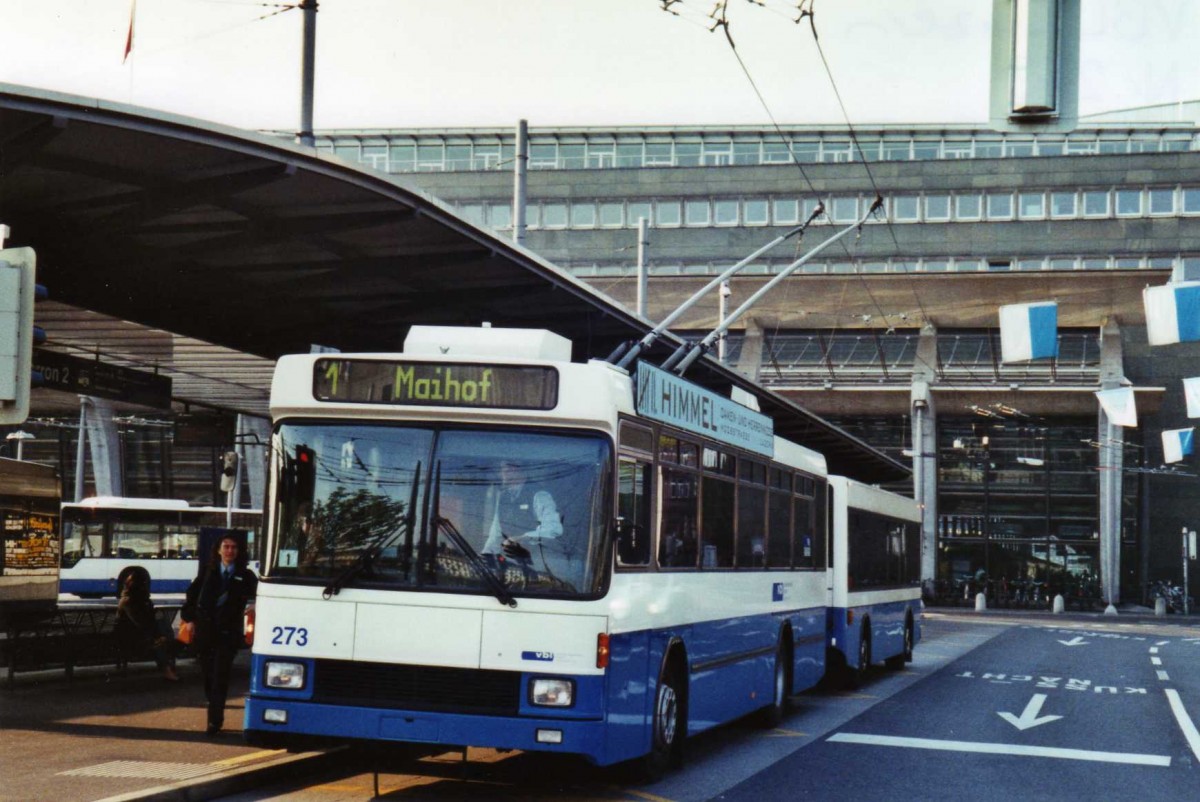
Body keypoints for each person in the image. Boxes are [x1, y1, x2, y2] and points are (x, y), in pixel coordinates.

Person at [182, 534, 258, 736]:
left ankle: (214, 722)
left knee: (219, 678)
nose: (230, 551)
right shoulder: (208, 573)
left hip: (228, 635)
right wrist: (189, 619)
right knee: (208, 677)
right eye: (226, 547)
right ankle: (214, 713)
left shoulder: (246, 576)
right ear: (218, 550)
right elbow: (191, 599)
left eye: (234, 547)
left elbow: (256, 599)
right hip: (206, 634)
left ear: (239, 551)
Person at [481, 460, 563, 558]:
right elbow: (496, 533)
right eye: (502, 470)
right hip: (512, 558)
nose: (503, 474)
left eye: (507, 470)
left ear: (521, 471)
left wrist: (523, 538)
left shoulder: (540, 495)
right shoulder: (503, 496)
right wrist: (486, 554)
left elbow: (552, 529)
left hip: (540, 558)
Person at [114, 566, 179, 681]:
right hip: (131, 637)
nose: (126, 582)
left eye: (129, 580)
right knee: (158, 641)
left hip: (135, 635)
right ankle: (167, 670)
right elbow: (141, 622)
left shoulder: (133, 599)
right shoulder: (131, 601)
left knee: (159, 630)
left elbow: (144, 621)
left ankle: (164, 642)